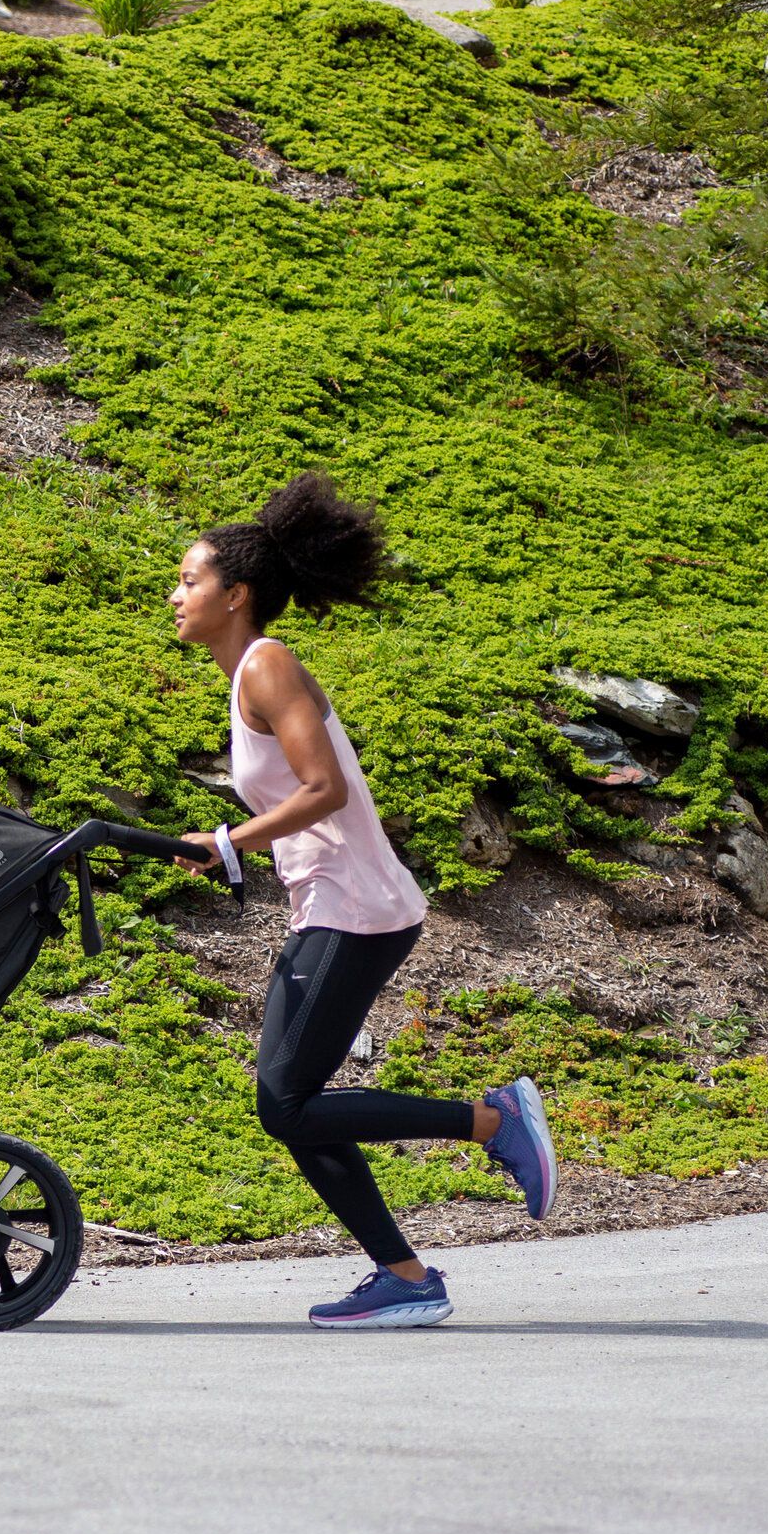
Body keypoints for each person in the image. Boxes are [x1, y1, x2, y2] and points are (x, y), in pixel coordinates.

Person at [169, 471, 557, 1330]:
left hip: (360, 906)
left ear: (236, 595)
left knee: (287, 1102)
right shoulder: (248, 676)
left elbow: (326, 788)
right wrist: (233, 852)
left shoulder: (266, 665)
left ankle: (495, 1122)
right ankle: (406, 1276)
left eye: (190, 580)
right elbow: (302, 803)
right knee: (292, 1105)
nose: (176, 594)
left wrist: (235, 840)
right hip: (332, 903)